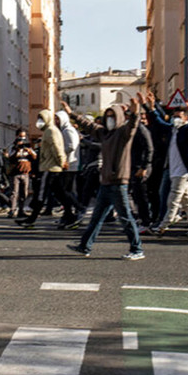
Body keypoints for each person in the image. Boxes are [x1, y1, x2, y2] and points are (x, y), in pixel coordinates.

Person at [62, 95, 146, 260]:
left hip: (118, 182)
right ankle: (84, 246)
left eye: (112, 117)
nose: (109, 120)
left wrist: (136, 112)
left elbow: (134, 125)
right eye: (108, 117)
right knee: (96, 218)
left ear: (119, 118)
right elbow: (89, 125)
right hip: (106, 183)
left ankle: (137, 249)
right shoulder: (104, 134)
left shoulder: (123, 133)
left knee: (125, 218)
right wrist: (71, 114)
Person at [149, 99, 188, 238]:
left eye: (179, 117)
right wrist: (151, 109)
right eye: (174, 117)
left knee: (172, 199)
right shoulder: (173, 130)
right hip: (174, 170)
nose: (176, 119)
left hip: (183, 172)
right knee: (186, 201)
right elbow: (159, 123)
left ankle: (163, 226)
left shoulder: (186, 130)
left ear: (185, 118)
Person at [16, 109, 67, 229]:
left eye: (42, 119)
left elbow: (56, 148)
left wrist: (61, 161)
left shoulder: (51, 131)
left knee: (41, 194)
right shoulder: (49, 131)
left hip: (50, 167)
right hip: (52, 167)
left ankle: (31, 219)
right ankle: (71, 214)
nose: (39, 122)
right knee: (61, 195)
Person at [9, 131, 36, 218]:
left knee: (24, 193)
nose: (22, 140)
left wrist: (29, 151)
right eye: (20, 137)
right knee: (14, 193)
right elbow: (10, 157)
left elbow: (35, 157)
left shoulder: (28, 147)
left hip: (25, 173)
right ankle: (12, 210)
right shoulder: (13, 147)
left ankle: (21, 210)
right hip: (15, 173)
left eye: (24, 137)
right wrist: (17, 149)